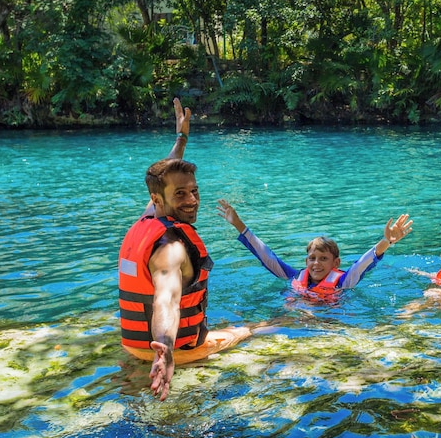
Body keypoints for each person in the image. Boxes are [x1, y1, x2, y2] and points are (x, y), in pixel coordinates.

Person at [117, 99, 252, 401]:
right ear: (160, 198)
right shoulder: (172, 246)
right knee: (261, 327)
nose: (192, 200)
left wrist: (181, 139)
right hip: (171, 351)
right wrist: (165, 349)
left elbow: (163, 176)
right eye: (181, 194)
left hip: (132, 346)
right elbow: (167, 299)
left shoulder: (149, 218)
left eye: (194, 191)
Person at [217, 199, 412, 295]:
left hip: (331, 322)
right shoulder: (295, 277)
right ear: (306, 261)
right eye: (312, 258)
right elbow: (267, 256)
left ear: (336, 263)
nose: (316, 263)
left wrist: (387, 241)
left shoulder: (344, 282)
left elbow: (364, 263)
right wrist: (238, 224)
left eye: (323, 258)